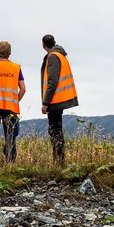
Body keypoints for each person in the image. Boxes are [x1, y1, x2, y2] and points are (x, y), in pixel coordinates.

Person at [40, 34, 78, 165]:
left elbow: (52, 81)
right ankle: (59, 159)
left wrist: (46, 103)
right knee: (57, 130)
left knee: (55, 131)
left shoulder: (53, 57)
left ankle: (59, 160)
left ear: (43, 45)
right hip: (60, 99)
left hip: (55, 100)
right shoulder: (60, 55)